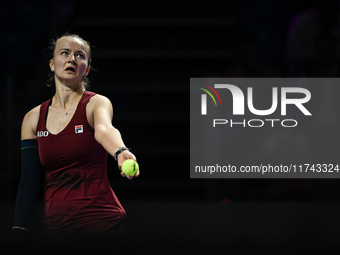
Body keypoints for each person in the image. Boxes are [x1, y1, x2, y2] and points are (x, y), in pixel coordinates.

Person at [12, 33, 139, 240]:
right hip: (55, 227)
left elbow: (104, 129)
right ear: (52, 64)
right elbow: (29, 180)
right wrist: (19, 228)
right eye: (65, 53)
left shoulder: (96, 104)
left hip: (101, 222)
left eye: (80, 56)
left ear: (86, 69)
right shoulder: (33, 118)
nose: (72, 58)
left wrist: (120, 151)